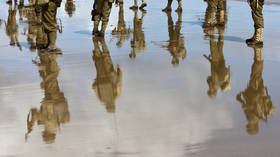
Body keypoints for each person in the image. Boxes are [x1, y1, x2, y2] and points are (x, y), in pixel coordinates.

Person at [26, 51, 70, 144]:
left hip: (58, 97)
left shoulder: (57, 124)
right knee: (51, 77)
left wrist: (33, 123)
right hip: (51, 97)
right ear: (46, 133)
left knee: (51, 78)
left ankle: (49, 60)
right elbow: (34, 111)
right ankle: (52, 58)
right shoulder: (47, 123)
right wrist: (32, 122)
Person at [236, 45, 275, 135]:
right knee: (255, 74)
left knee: (257, 75)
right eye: (249, 127)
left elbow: (248, 107)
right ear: (252, 126)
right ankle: (258, 54)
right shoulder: (252, 118)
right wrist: (240, 100)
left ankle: (259, 55)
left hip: (259, 92)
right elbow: (247, 107)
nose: (247, 125)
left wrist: (242, 101)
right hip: (254, 93)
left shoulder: (260, 117)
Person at [92, 37, 122, 113]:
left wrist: (119, 71)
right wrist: (96, 80)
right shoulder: (101, 99)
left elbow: (119, 82)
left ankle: (102, 41)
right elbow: (94, 87)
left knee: (106, 55)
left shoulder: (116, 96)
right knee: (98, 58)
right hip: (100, 76)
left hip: (110, 74)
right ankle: (95, 42)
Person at [203, 26, 230, 98]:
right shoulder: (215, 84)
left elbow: (209, 78)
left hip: (222, 64)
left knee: (220, 48)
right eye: (210, 91)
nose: (210, 89)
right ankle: (211, 32)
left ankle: (221, 32)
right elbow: (213, 73)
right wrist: (210, 60)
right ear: (214, 91)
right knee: (213, 47)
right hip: (216, 63)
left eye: (209, 91)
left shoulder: (218, 84)